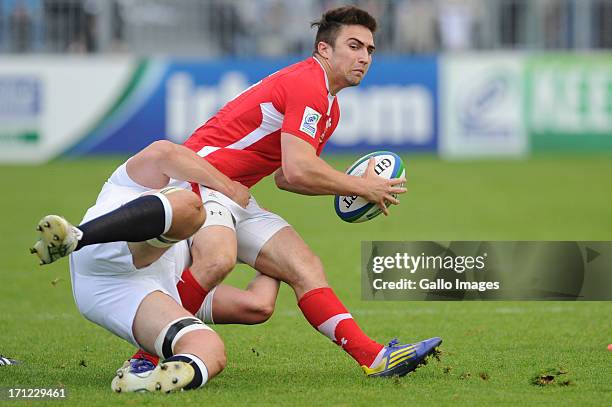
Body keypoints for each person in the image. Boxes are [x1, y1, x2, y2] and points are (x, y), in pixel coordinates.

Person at [156, 5, 441, 377]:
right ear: (324, 49)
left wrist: (349, 189)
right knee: (217, 259)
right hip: (201, 180)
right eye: (354, 46)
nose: (364, 57)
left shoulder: (330, 107)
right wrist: (361, 186)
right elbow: (298, 168)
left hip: (234, 193)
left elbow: (286, 178)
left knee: (300, 272)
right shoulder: (308, 83)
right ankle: (142, 359)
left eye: (370, 50)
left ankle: (374, 359)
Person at [31, 140, 254, 392]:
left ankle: (144, 382)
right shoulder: (167, 187)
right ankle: (77, 236)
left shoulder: (200, 272)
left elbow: (257, 304)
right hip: (103, 246)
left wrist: (270, 262)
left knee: (209, 347)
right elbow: (163, 151)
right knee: (188, 207)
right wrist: (229, 188)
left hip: (119, 291)